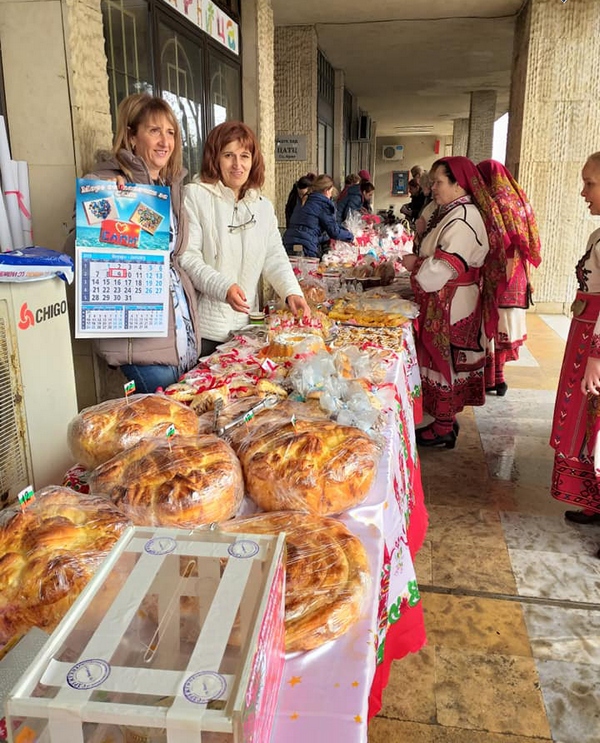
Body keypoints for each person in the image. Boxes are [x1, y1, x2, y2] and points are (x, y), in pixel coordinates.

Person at [67, 93, 201, 393]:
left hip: (179, 336)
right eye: (154, 131)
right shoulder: (104, 182)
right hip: (141, 346)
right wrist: (108, 206)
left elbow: (174, 257)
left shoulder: (169, 188)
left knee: (179, 432)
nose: (165, 142)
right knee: (163, 430)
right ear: (131, 135)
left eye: (171, 133)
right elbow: (77, 255)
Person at [401, 156, 505, 449]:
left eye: (439, 182)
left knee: (445, 360)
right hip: (449, 298)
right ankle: (445, 420)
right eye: (431, 181)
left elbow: (439, 271)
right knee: (444, 359)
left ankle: (444, 426)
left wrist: (414, 265)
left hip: (453, 300)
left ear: (459, 185)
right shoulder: (453, 210)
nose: (432, 187)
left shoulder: (463, 219)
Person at [180, 121, 309, 357]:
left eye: (245, 156)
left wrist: (292, 291)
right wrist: (223, 287)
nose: (238, 165)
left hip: (249, 327)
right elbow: (188, 257)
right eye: (228, 155)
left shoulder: (262, 206)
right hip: (207, 331)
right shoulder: (195, 196)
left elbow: (274, 256)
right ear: (215, 158)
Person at [550, 151, 600, 538]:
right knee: (586, 421)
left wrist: (597, 356)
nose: (584, 192)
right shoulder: (597, 234)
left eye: (591, 184)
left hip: (596, 342)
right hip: (586, 333)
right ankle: (592, 498)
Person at [478, 159, 542, 396]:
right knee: (503, 326)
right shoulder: (518, 199)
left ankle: (493, 378)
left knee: (492, 326)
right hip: (517, 275)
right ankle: (499, 377)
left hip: (498, 272)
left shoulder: (493, 203)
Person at [283, 174, 354, 258]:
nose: (330, 195)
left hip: (288, 243)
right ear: (327, 190)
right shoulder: (322, 204)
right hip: (306, 246)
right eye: (331, 192)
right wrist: (351, 237)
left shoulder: (305, 200)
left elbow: (310, 228)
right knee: (309, 269)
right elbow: (334, 231)